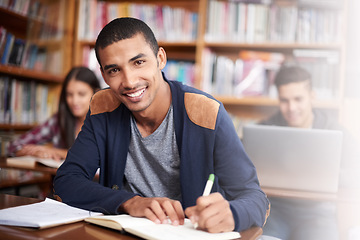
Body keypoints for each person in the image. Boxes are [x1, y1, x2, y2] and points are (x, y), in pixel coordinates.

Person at [53, 17, 269, 233]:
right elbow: (66, 180)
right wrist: (130, 202)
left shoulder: (207, 112)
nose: (129, 81)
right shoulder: (103, 107)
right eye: (114, 70)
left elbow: (256, 198)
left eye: (138, 62)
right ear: (104, 75)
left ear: (160, 58)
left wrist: (233, 214)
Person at [260, 65, 360, 240]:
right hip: (276, 210)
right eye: (284, 100)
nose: (291, 107)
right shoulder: (265, 129)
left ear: (312, 97)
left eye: (298, 99)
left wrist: (327, 176)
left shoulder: (335, 131)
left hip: (318, 213)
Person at [7, 66, 101, 160]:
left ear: (96, 93)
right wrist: (35, 152)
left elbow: (96, 157)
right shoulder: (58, 120)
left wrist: (54, 151)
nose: (74, 101)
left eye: (81, 94)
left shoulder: (104, 123)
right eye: (69, 94)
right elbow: (14, 146)